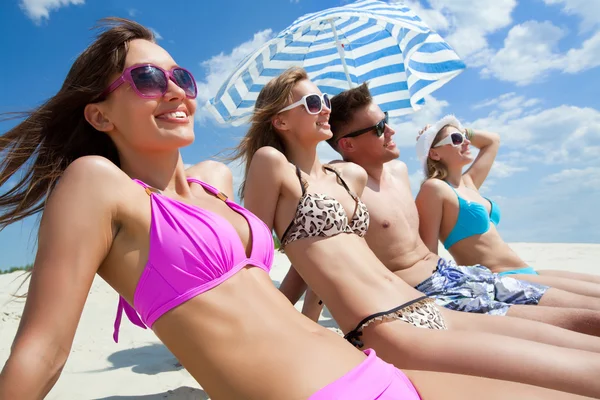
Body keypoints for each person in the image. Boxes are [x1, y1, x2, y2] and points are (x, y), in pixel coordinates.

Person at [0, 18, 464, 400]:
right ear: (100, 116)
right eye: (147, 79)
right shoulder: (97, 183)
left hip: (374, 368)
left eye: (181, 77)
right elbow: (43, 351)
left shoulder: (214, 183)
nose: (176, 91)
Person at [233, 66, 600, 398]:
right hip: (384, 325)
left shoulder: (349, 176)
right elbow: (256, 264)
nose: (326, 107)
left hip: (424, 302)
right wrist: (281, 336)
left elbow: (317, 266)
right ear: (280, 122)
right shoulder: (272, 164)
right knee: (575, 376)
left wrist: (308, 320)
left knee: (581, 340)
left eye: (325, 100)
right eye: (313, 102)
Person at [299, 82, 600, 337]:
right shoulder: (340, 183)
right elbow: (323, 263)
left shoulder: (400, 171)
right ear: (347, 145)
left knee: (584, 309)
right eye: (379, 127)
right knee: (571, 326)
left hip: (460, 274)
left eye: (386, 119)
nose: (391, 130)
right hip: (427, 294)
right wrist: (310, 331)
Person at [414, 115, 600, 301]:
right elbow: (428, 254)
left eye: (464, 137)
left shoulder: (468, 183)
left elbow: (492, 141)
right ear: (435, 154)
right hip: (501, 280)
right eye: (456, 140)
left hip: (525, 272)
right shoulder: (435, 188)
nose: (467, 142)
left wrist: (457, 129)